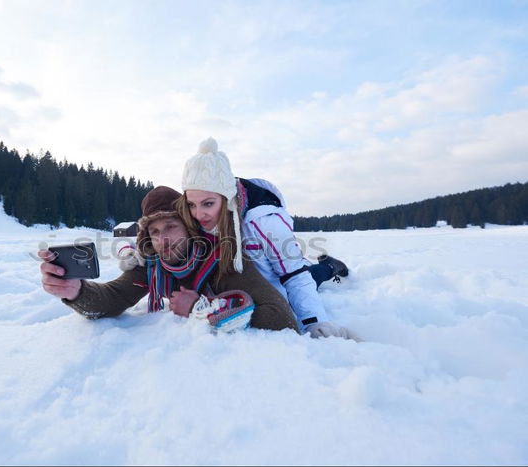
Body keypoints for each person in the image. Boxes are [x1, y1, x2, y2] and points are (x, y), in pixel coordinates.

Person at [39, 186, 298, 332]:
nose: (163, 239)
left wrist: (203, 309)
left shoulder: (223, 259)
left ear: (188, 226)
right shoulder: (150, 265)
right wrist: (76, 291)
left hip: (273, 271)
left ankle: (324, 268)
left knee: (312, 273)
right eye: (154, 231)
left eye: (171, 226)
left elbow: (282, 317)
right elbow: (112, 298)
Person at [174, 137, 357, 340]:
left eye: (208, 204)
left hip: (278, 283)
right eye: (192, 204)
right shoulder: (198, 219)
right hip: (249, 283)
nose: (199, 214)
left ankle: (330, 267)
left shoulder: (265, 222)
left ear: (226, 198)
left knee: (312, 275)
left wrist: (314, 322)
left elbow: (294, 275)